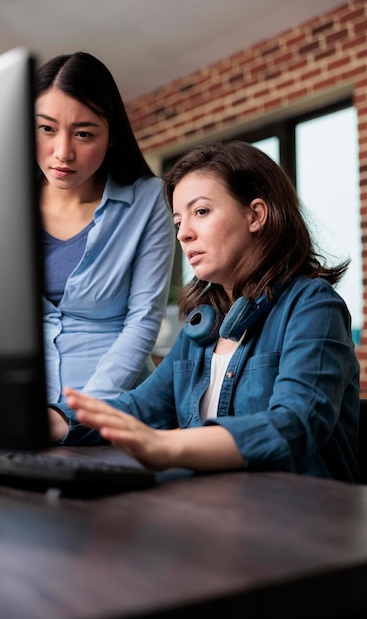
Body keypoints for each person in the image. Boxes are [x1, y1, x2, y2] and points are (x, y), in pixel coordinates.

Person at [50, 140, 360, 483]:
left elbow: (295, 425)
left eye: (201, 212)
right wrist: (53, 420)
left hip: (300, 518)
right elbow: (142, 408)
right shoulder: (204, 323)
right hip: (217, 513)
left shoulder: (313, 305)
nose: (183, 233)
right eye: (178, 220)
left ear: (255, 215)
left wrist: (169, 446)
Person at [36, 51, 175, 441]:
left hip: (116, 415)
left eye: (83, 133)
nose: (63, 152)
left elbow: (143, 320)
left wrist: (73, 417)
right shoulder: (4, 203)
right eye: (46, 129)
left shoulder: (149, 199)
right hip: (20, 420)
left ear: (112, 135)